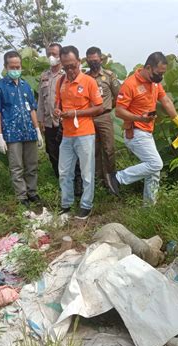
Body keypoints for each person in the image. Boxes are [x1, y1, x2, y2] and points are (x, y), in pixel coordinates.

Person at [105, 52, 178, 206]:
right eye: (159, 73)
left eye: (163, 73)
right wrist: (140, 118)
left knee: (153, 172)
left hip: (147, 132)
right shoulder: (130, 84)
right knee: (156, 164)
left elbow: (165, 101)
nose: (161, 77)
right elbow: (118, 111)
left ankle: (149, 207)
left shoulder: (155, 83)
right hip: (135, 131)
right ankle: (117, 178)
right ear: (149, 68)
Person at [0, 50, 44, 209]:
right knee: (17, 166)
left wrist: (37, 130)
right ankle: (21, 196)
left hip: (29, 131)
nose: (15, 69)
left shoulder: (26, 85)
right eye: (12, 66)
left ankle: (32, 192)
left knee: (32, 164)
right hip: (12, 133)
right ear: (5, 67)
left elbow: (32, 108)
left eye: (18, 66)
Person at [54, 45, 104, 219]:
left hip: (85, 133)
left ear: (79, 62)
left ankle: (86, 205)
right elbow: (57, 103)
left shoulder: (89, 81)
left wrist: (76, 113)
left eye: (72, 65)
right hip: (67, 135)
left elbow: (99, 107)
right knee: (64, 172)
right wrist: (57, 111)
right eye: (65, 66)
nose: (70, 70)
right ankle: (66, 205)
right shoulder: (61, 82)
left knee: (86, 173)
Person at [37, 43, 83, 195]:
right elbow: (41, 102)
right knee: (52, 153)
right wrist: (40, 120)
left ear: (61, 57)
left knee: (72, 154)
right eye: (49, 53)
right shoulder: (44, 76)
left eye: (55, 54)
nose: (52, 57)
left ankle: (77, 183)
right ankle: (62, 181)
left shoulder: (67, 74)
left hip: (66, 123)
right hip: (49, 122)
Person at [85, 46, 120, 186]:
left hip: (104, 116)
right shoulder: (85, 77)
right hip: (88, 118)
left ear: (100, 59)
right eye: (90, 60)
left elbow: (118, 96)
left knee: (109, 148)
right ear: (86, 61)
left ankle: (111, 179)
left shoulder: (109, 75)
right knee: (94, 150)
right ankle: (99, 181)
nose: (93, 62)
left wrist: (108, 108)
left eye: (95, 60)